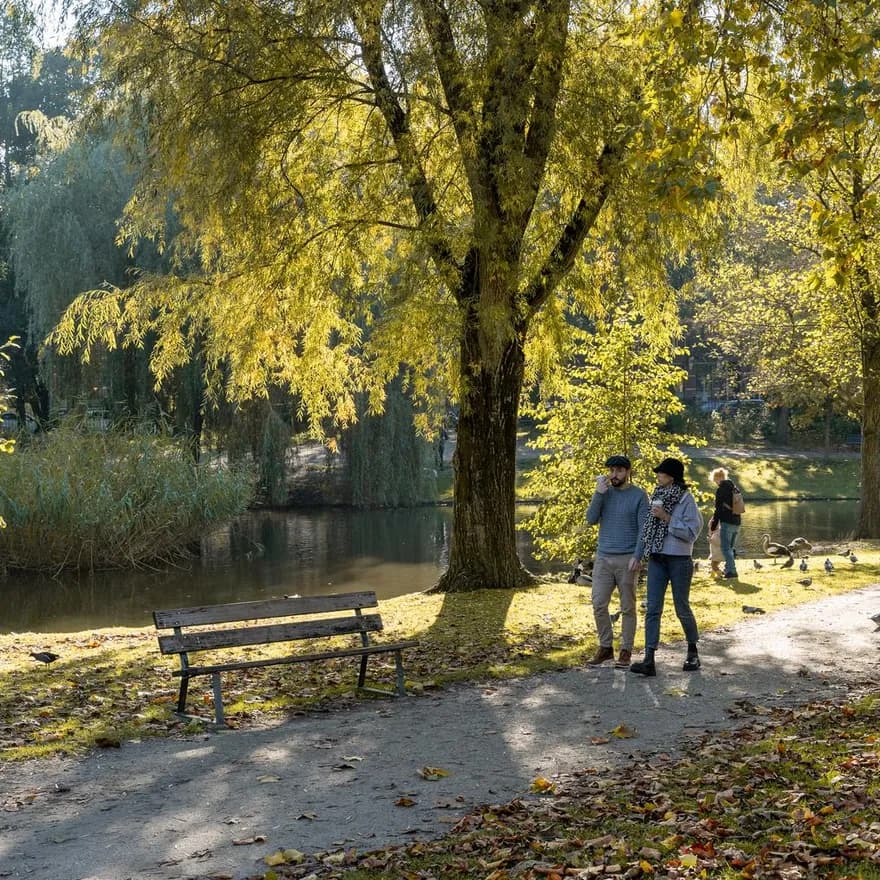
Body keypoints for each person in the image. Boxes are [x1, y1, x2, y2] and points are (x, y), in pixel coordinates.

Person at [629, 457, 703, 676]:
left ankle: (692, 652)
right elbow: (647, 529)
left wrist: (667, 518)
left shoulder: (686, 499)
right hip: (657, 558)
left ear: (671, 476)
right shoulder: (657, 496)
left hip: (679, 559)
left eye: (661, 473)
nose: (657, 476)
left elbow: (692, 533)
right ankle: (649, 659)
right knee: (652, 608)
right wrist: (639, 553)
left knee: (681, 606)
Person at [584, 454, 649, 668]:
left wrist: (638, 556)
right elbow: (591, 519)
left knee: (628, 607)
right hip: (603, 557)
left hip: (627, 559)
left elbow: (644, 530)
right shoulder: (604, 493)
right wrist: (598, 494)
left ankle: (626, 650)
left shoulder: (639, 495)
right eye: (611, 471)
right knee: (598, 603)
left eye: (619, 471)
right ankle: (605, 648)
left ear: (628, 472)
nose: (614, 475)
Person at [709, 467, 742, 579]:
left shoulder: (721, 490)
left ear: (718, 478)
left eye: (715, 480)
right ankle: (729, 570)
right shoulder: (734, 488)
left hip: (727, 521)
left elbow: (718, 509)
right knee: (731, 548)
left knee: (725, 548)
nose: (715, 482)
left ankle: (732, 571)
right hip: (737, 521)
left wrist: (714, 525)